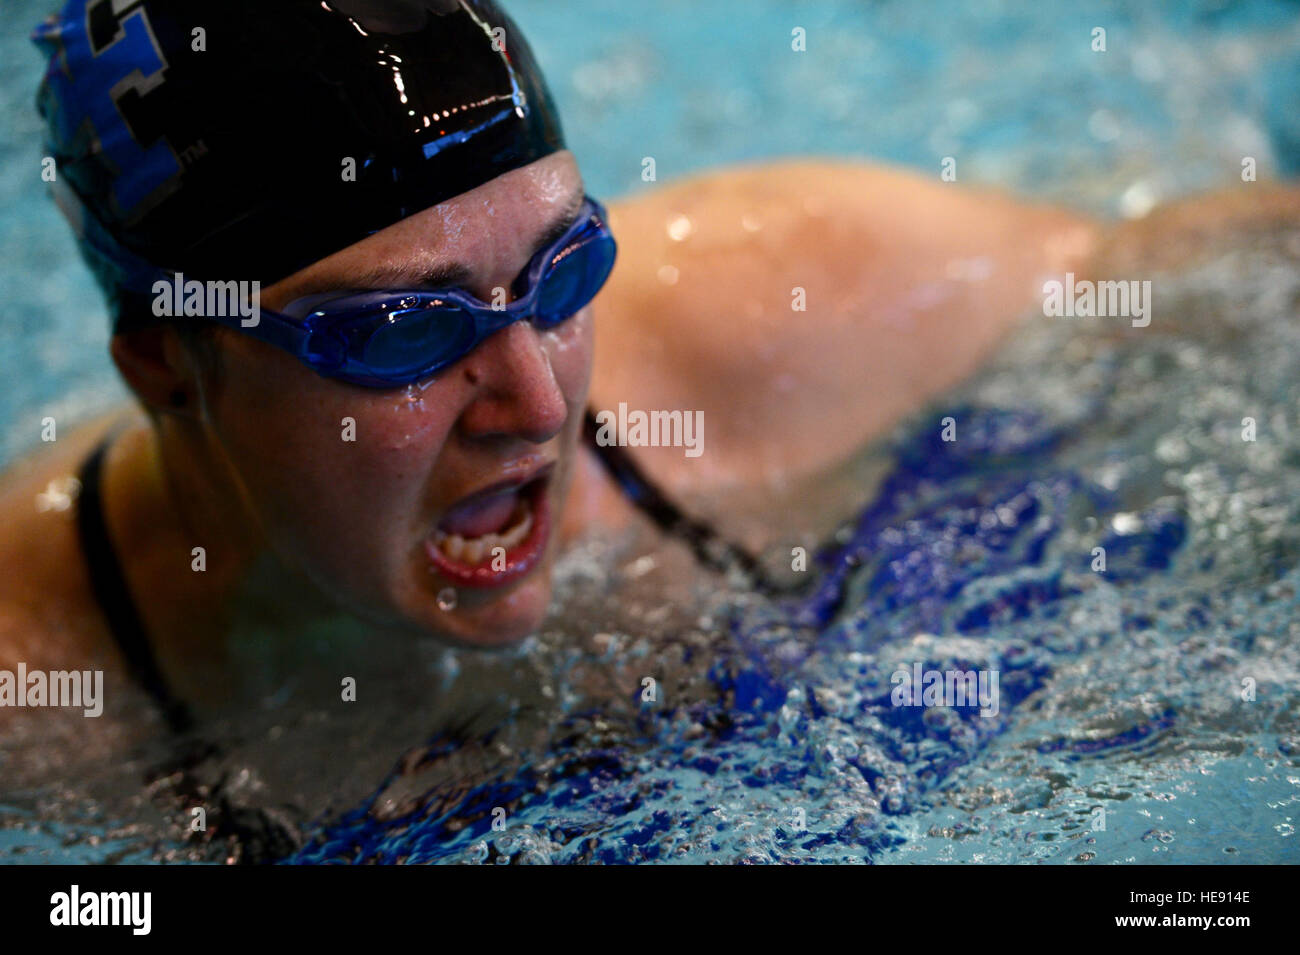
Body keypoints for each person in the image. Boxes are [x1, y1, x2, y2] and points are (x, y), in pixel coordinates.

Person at [1, 0, 1293, 732]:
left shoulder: (787, 304)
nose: (539, 402)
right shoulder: (40, 698)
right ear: (165, 364)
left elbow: (1223, 271)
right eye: (401, 330)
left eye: (564, 271)